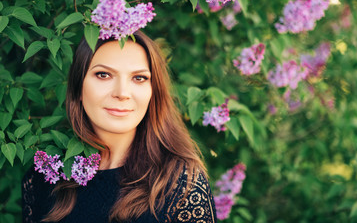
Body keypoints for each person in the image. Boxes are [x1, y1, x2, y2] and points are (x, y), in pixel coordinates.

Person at [22, 31, 217, 222]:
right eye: (104, 75)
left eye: (139, 78)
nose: (122, 93)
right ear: (78, 88)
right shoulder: (45, 175)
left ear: (153, 92)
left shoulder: (181, 183)